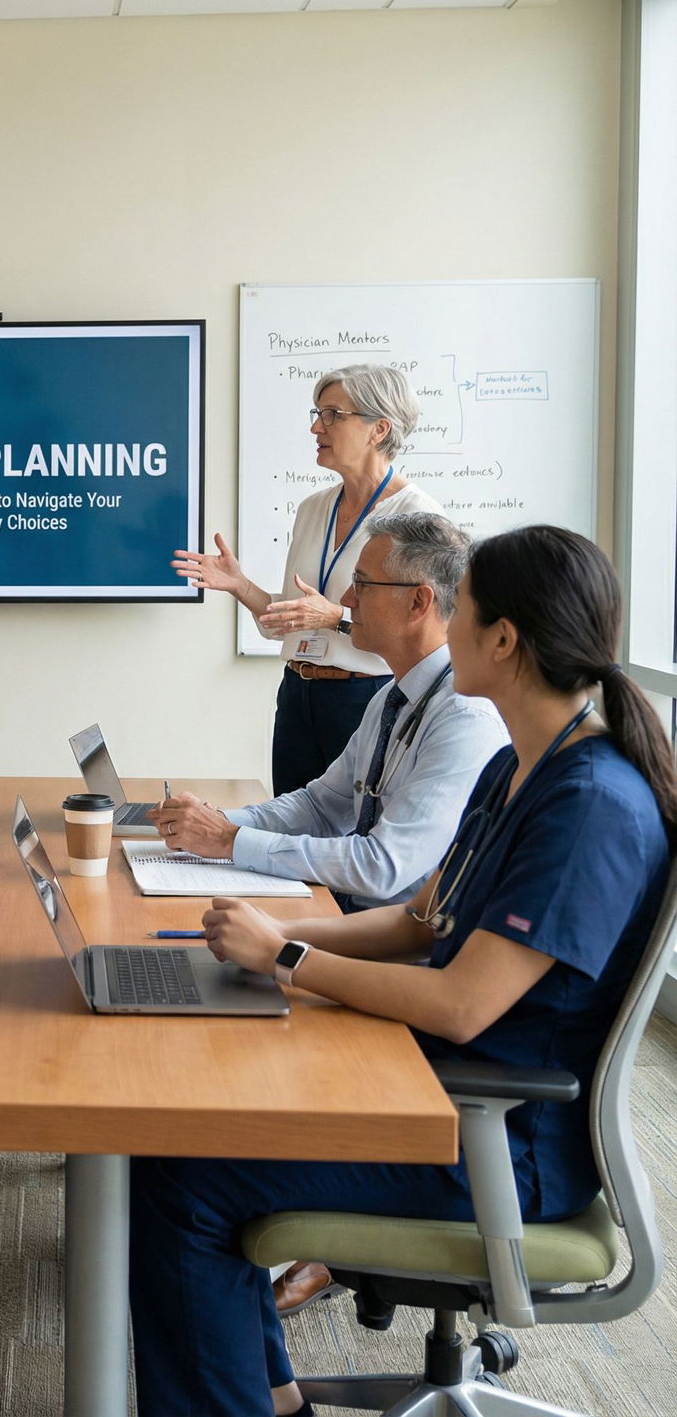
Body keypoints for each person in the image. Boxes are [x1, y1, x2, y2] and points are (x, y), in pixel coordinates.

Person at [129, 524, 677, 1417]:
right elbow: (424, 922)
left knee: (181, 1179)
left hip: (492, 1140)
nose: (446, 625)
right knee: (189, 1129)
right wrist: (271, 935)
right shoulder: (519, 767)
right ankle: (269, 1399)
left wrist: (292, 958)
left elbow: (464, 1004)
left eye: (459, 609)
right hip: (436, 1090)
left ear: (503, 639)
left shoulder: (589, 807)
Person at [155, 514, 506, 913]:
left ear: (418, 602)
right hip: (352, 916)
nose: (346, 601)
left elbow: (382, 866)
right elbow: (320, 807)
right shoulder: (394, 696)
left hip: (396, 944)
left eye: (362, 584)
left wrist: (228, 839)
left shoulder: (465, 720)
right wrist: (212, 821)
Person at [173, 364, 441, 796]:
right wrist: (241, 585)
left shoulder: (417, 517)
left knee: (354, 835)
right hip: (298, 693)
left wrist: (335, 617)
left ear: (379, 428)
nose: (317, 426)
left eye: (333, 414)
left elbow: (423, 636)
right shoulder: (313, 508)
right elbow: (284, 620)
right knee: (290, 827)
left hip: (366, 697)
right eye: (317, 413)